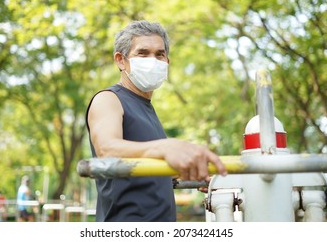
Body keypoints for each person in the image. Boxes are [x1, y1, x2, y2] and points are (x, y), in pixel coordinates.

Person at [86, 20, 227, 222]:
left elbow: (142, 171)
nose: (153, 60)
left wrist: (190, 172)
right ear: (120, 60)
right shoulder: (108, 99)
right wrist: (166, 147)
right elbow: (107, 150)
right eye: (142, 53)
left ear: (167, 62)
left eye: (159, 54)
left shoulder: (147, 109)